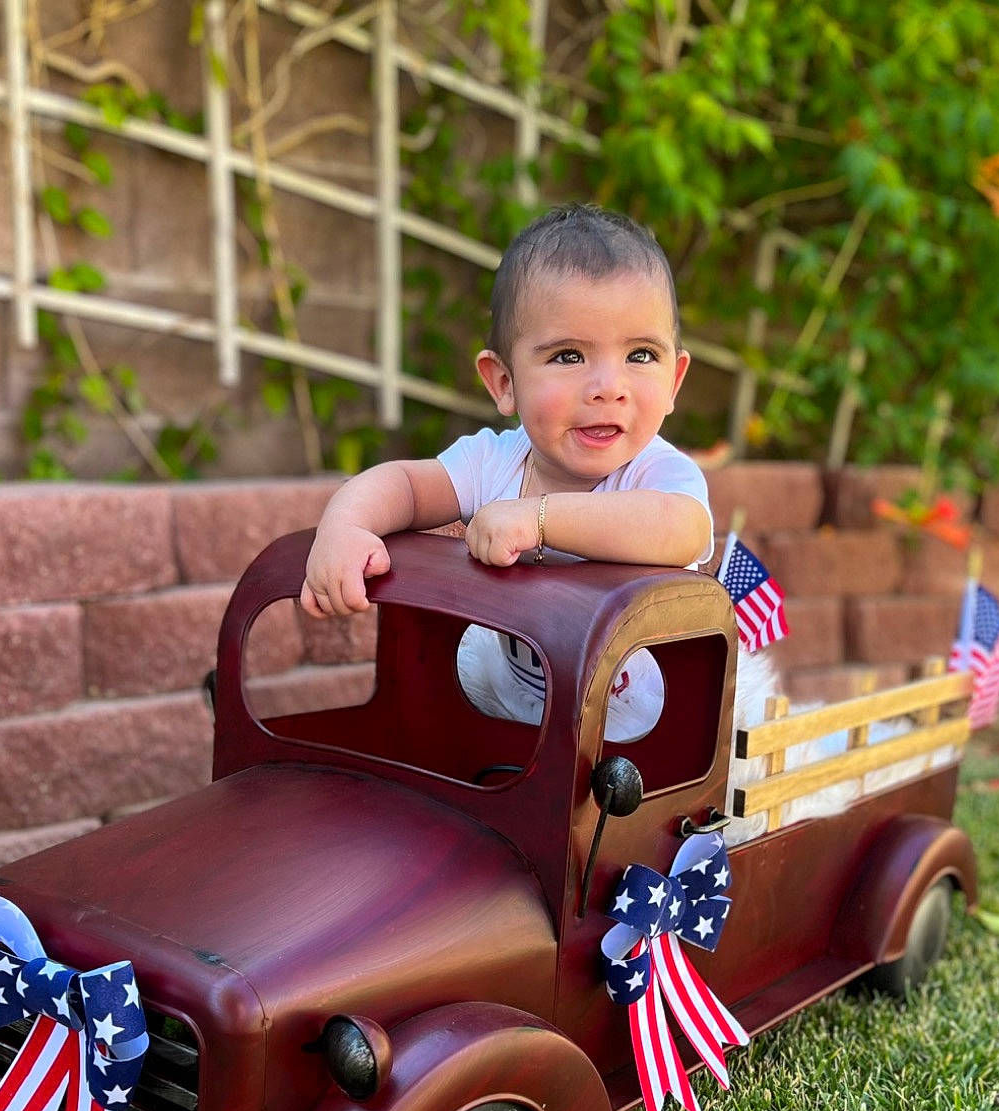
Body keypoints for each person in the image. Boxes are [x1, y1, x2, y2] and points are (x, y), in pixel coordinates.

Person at [299, 203, 713, 741]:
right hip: (521, 714)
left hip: (648, 734)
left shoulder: (657, 475)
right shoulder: (495, 462)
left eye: (640, 355)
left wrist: (538, 519)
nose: (609, 388)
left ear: (674, 380)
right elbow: (403, 485)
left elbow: (682, 529)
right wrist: (344, 527)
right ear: (504, 383)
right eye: (569, 356)